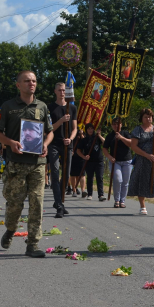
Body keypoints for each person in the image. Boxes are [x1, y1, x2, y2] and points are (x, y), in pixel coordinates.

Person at [0, 70, 53, 258]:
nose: (31, 84)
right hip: (16, 164)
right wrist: (11, 143)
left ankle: (33, 244)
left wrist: (45, 144)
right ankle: (10, 230)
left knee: (37, 202)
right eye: (27, 81)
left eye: (34, 80)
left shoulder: (42, 106)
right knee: (15, 204)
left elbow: (50, 131)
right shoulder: (8, 107)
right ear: (18, 85)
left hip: (37, 163)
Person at [128, 109, 154, 215]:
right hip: (142, 160)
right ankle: (142, 206)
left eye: (150, 117)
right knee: (142, 181)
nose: (148, 119)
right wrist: (146, 155)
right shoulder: (138, 130)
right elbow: (134, 146)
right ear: (142, 118)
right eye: (146, 117)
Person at [48, 82, 77, 218]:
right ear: (55, 91)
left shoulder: (72, 108)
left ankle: (58, 200)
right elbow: (49, 129)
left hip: (67, 144)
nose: (62, 92)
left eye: (64, 90)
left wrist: (70, 139)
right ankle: (59, 205)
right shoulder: (50, 108)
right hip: (53, 143)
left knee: (66, 174)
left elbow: (75, 128)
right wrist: (61, 120)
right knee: (54, 172)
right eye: (59, 90)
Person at [102, 117, 133, 208]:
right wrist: (109, 157)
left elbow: (131, 144)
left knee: (125, 182)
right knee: (118, 180)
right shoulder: (110, 136)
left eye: (118, 124)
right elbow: (105, 148)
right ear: (112, 125)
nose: (116, 126)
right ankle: (117, 200)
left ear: (121, 124)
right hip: (115, 161)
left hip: (127, 160)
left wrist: (121, 138)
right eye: (114, 124)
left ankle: (122, 200)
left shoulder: (126, 133)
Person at [77, 123, 105, 201]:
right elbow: (78, 151)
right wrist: (84, 157)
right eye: (88, 129)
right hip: (89, 162)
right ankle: (90, 194)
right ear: (86, 130)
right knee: (90, 178)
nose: (90, 130)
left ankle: (101, 195)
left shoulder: (97, 137)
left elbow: (105, 143)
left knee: (99, 177)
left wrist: (99, 135)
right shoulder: (84, 140)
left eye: (91, 128)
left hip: (99, 161)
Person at [70, 128, 87, 197]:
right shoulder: (71, 131)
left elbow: (85, 141)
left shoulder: (83, 132)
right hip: (73, 155)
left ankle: (83, 190)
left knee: (82, 174)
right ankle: (74, 190)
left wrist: (81, 134)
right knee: (73, 175)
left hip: (81, 155)